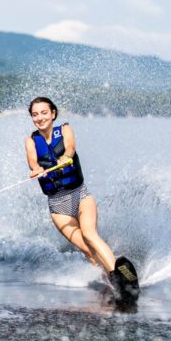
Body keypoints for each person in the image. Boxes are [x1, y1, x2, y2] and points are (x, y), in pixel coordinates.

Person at [25, 96, 138, 298]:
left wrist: (66, 157)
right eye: (35, 114)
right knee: (87, 250)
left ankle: (117, 274)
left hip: (80, 195)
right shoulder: (31, 141)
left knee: (89, 234)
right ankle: (111, 282)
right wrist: (37, 170)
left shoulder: (65, 129)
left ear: (53, 114)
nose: (40, 117)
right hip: (58, 206)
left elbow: (70, 147)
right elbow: (33, 161)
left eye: (44, 112)